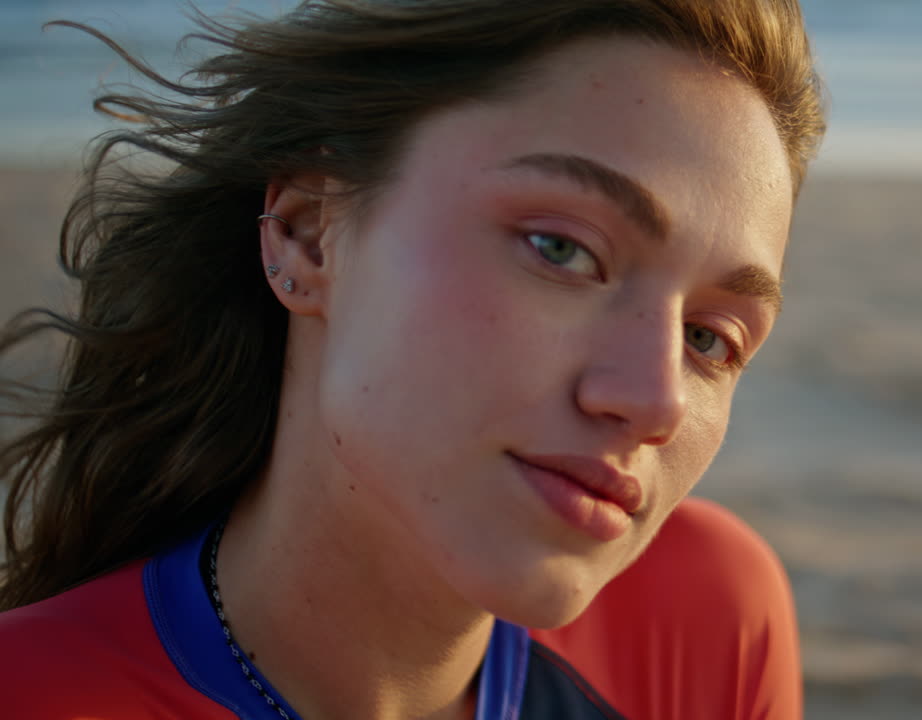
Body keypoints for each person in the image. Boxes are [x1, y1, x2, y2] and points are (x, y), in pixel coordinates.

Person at [0, 0, 825, 717]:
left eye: (708, 339)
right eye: (561, 249)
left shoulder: (705, 618)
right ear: (309, 230)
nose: (654, 401)